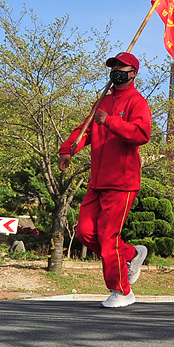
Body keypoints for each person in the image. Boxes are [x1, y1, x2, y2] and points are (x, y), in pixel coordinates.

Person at [60, 51, 153, 309]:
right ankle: (132, 253)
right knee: (85, 232)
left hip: (122, 182)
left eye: (121, 67)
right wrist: (67, 149)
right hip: (97, 180)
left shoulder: (137, 102)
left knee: (109, 237)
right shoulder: (102, 101)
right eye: (113, 66)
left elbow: (142, 133)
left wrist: (111, 122)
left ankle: (121, 290)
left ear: (133, 73)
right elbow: (85, 129)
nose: (116, 71)